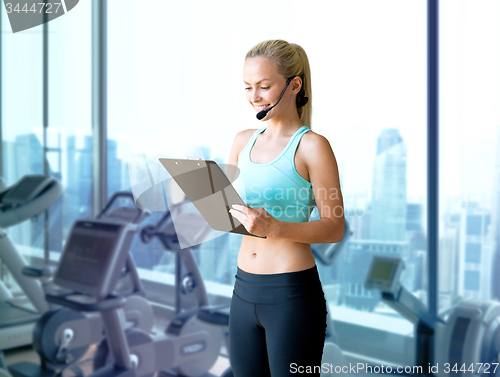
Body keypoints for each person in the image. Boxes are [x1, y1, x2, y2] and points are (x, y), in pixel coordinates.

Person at [226, 39, 345, 377]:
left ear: (294, 85)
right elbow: (231, 209)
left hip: (290, 297)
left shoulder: (312, 147)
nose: (254, 96)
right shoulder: (241, 140)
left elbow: (334, 227)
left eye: (264, 86)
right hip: (242, 291)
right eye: (248, 87)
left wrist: (276, 227)